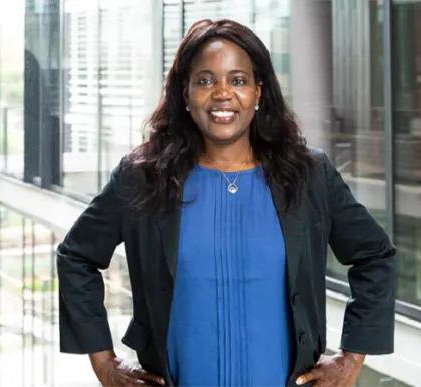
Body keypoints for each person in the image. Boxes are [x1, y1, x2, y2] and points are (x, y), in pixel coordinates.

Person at [57, 19, 397, 387]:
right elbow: (77, 257)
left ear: (258, 92)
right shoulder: (142, 177)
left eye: (238, 80)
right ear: (184, 94)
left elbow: (375, 257)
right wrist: (104, 364)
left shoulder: (309, 175)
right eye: (205, 80)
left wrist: (352, 357)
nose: (222, 93)